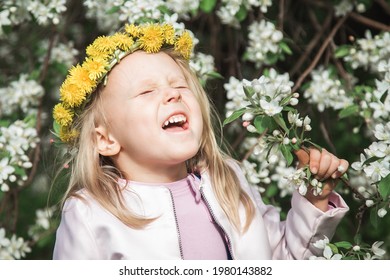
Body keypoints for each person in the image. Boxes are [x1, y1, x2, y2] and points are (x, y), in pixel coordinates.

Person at [52, 22, 349, 260]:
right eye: (146, 92)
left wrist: (314, 201)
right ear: (105, 140)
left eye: (180, 85)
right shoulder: (91, 214)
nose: (173, 94)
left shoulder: (229, 181)